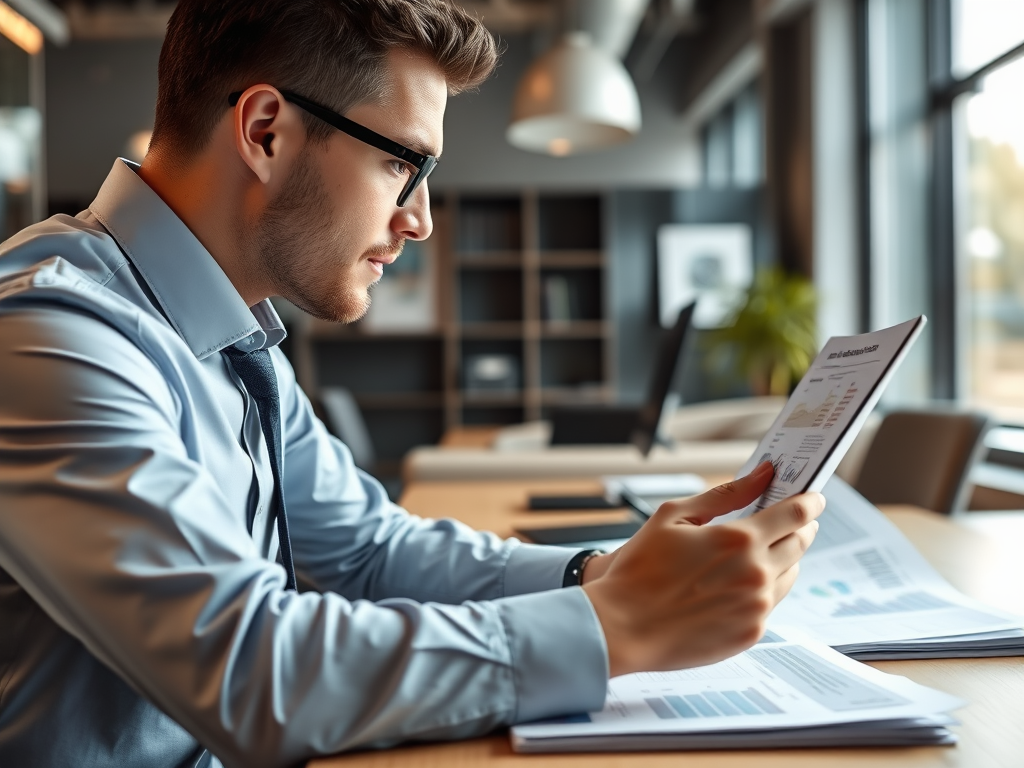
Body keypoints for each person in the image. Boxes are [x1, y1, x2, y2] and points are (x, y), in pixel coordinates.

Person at [0, 1, 823, 766]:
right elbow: (250, 668)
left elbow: (366, 549)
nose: (421, 219)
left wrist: (597, 577)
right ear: (265, 131)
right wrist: (614, 626)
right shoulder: (48, 339)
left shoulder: (235, 340)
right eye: (403, 162)